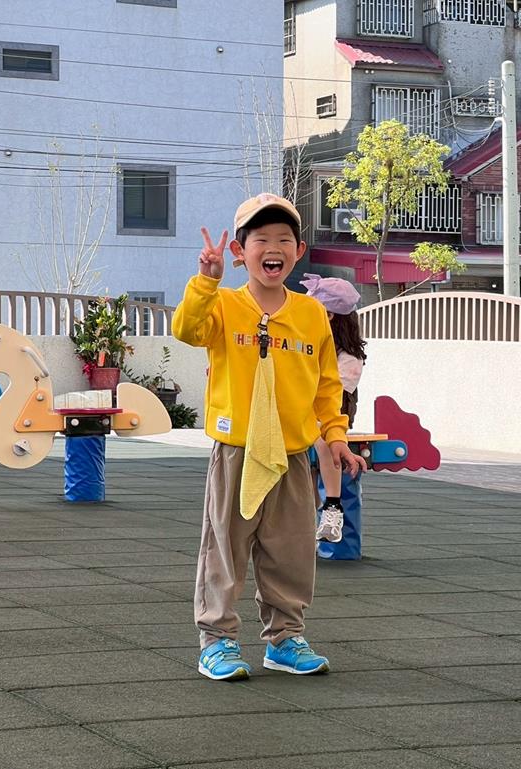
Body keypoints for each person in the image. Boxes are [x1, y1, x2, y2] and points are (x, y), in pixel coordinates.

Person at [172, 192, 367, 681]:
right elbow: (187, 330)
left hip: (293, 453)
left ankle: (285, 638)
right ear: (241, 252)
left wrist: (336, 436)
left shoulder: (311, 315)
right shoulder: (223, 304)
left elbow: (326, 386)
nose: (273, 248)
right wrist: (205, 281)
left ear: (298, 251)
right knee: (226, 547)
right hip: (237, 450)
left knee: (291, 550)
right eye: (261, 239)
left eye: (284, 239)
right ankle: (216, 640)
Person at [299, 274, 367, 543]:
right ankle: (306, 515)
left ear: (328, 316)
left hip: (331, 412)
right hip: (303, 407)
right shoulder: (308, 342)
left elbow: (334, 395)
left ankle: (333, 506)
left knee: (325, 442)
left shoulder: (348, 357)